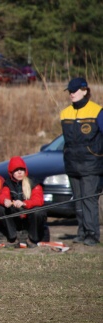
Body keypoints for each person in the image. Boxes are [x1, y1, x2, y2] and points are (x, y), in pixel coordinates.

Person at [60, 77, 103, 246]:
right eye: (70, 91)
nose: (71, 94)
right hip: (72, 164)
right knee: (77, 200)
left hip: (91, 164)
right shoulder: (65, 113)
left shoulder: (97, 111)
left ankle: (92, 234)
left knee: (89, 199)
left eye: (75, 90)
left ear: (85, 91)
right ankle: (82, 231)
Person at [0, 156, 46, 248]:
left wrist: (25, 203)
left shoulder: (34, 183)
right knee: (1, 208)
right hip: (16, 217)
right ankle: (12, 238)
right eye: (16, 170)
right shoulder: (7, 184)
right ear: (11, 173)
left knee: (38, 211)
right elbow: (2, 196)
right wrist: (5, 201)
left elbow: (39, 200)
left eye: (21, 169)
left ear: (25, 170)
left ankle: (32, 239)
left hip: (30, 217)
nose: (19, 172)